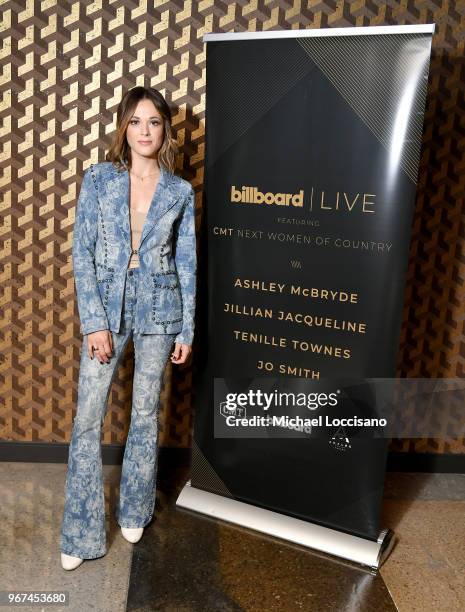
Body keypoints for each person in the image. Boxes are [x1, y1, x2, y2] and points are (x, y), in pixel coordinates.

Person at [60, 86, 197, 570]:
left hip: (160, 310)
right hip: (107, 309)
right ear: (124, 127)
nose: (145, 131)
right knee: (86, 419)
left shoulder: (179, 191)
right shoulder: (99, 179)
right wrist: (94, 321)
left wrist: (186, 329)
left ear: (165, 130)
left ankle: (135, 509)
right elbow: (82, 253)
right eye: (136, 121)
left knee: (144, 414)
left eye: (154, 122)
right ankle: (80, 533)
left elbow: (186, 261)